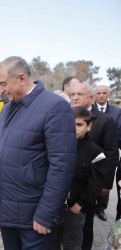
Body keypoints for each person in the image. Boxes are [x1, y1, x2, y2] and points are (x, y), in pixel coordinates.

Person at [0, 56, 77, 249]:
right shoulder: (8, 108)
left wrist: (46, 214)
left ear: (22, 78)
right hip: (8, 212)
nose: (1, 90)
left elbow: (62, 167)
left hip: (35, 216)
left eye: (3, 84)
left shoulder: (55, 107)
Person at [70, 81, 118, 250]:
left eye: (80, 94)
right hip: (69, 186)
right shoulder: (64, 117)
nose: (75, 97)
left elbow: (112, 153)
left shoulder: (105, 120)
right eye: (72, 94)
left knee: (86, 226)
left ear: (91, 98)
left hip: (90, 184)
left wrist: (106, 184)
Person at [52, 106, 107, 249]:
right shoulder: (56, 146)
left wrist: (80, 205)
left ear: (89, 126)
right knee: (52, 242)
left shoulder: (95, 152)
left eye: (79, 124)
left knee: (73, 242)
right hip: (54, 205)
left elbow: (95, 183)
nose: (74, 128)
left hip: (75, 208)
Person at [94, 85, 121, 221]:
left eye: (104, 93)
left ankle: (101, 208)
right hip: (93, 152)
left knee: (106, 180)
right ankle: (90, 205)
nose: (101, 95)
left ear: (108, 95)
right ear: (95, 95)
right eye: (98, 93)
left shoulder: (117, 112)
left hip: (109, 152)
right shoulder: (90, 111)